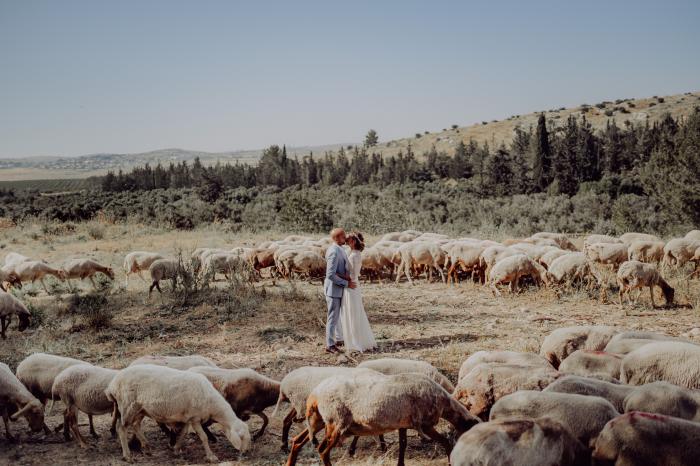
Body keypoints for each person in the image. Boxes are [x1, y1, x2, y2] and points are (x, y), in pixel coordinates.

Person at [339, 232, 377, 353]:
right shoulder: (353, 253)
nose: (346, 241)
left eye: (348, 240)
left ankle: (356, 341)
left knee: (352, 311)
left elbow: (353, 274)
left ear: (354, 241)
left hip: (351, 286)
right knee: (354, 311)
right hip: (352, 286)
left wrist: (338, 276)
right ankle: (354, 339)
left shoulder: (355, 255)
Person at [323, 227, 355, 354]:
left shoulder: (340, 249)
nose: (345, 238)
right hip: (333, 290)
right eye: (343, 236)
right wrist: (346, 283)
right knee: (332, 317)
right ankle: (330, 345)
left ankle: (338, 338)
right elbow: (330, 274)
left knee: (337, 317)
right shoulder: (334, 252)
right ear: (336, 238)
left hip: (337, 289)